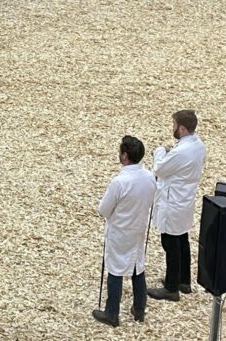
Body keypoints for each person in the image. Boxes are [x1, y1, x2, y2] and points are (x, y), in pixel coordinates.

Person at [92, 135, 155, 328]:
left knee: (115, 269)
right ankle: (139, 308)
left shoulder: (119, 182)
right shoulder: (149, 177)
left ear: (125, 156)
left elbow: (104, 210)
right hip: (139, 228)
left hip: (120, 230)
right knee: (137, 267)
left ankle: (112, 313)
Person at [147, 110, 207, 302]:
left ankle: (171, 288)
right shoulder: (198, 146)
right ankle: (184, 280)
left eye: (173, 125)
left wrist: (159, 152)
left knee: (170, 242)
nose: (172, 128)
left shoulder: (181, 151)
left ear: (181, 128)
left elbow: (159, 169)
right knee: (182, 238)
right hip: (185, 198)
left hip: (172, 201)